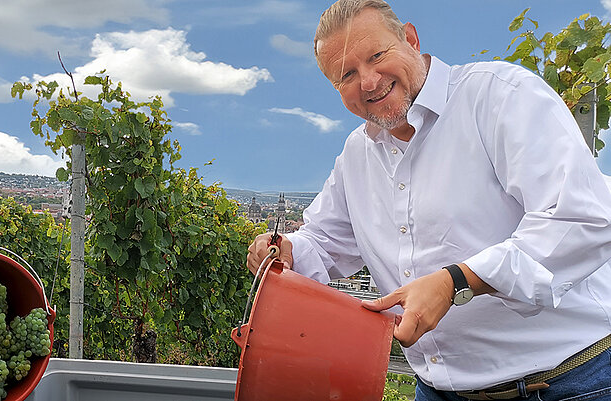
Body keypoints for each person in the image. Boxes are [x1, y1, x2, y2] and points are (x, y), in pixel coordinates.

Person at [246, 0, 611, 399]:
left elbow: (579, 219)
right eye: (347, 74)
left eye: (377, 56)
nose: (367, 82)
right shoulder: (356, 154)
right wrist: (288, 251)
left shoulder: (498, 96)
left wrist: (458, 281)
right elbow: (325, 241)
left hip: (567, 383)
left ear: (410, 38)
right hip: (437, 390)